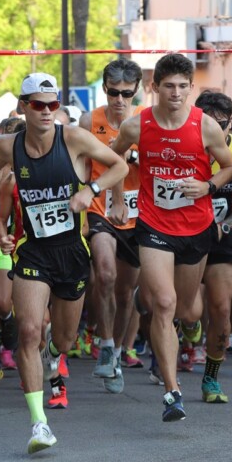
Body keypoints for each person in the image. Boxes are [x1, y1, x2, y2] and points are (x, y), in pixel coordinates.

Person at [0, 73, 128, 453]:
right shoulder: (10, 145)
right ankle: (38, 423)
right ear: (23, 107)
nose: (46, 111)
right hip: (33, 252)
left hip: (72, 253)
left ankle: (54, 356)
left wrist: (90, 191)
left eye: (52, 104)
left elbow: (118, 165)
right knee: (28, 331)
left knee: (63, 338)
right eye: (38, 105)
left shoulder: (72, 137)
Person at [110, 54, 232, 422]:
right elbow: (114, 158)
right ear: (155, 87)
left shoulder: (206, 126)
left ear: (191, 88)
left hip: (196, 228)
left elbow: (229, 166)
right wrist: (118, 199)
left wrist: (207, 185)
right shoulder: (138, 126)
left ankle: (160, 307)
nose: (177, 93)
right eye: (169, 86)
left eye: (183, 86)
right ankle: (172, 391)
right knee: (164, 305)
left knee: (185, 309)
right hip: (153, 224)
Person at [79, 59, 143, 395]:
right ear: (105, 89)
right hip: (100, 207)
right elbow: (81, 162)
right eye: (114, 92)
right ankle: (104, 343)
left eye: (126, 93)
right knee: (104, 274)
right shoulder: (90, 121)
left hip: (138, 214)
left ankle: (116, 352)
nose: (119, 99)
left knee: (126, 291)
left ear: (137, 91)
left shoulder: (146, 121)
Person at [193, 89, 232, 403]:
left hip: (221, 234)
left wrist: (230, 226)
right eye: (210, 124)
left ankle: (212, 377)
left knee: (221, 308)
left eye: (224, 124)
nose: (218, 130)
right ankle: (187, 326)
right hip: (183, 232)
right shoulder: (185, 145)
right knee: (187, 307)